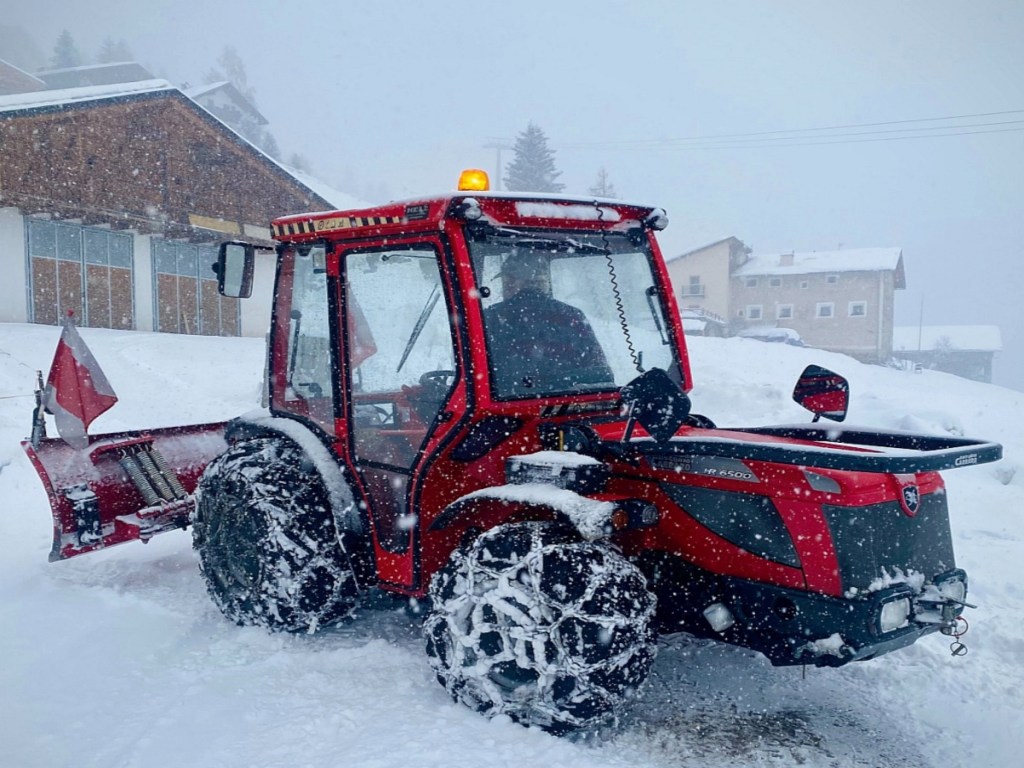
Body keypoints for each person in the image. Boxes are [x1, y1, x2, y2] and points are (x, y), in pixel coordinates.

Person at [483, 251, 613, 396]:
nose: (505, 288)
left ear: (527, 283)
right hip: (571, 401)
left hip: (507, 404)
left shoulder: (492, 317)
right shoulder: (572, 316)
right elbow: (600, 373)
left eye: (508, 282)